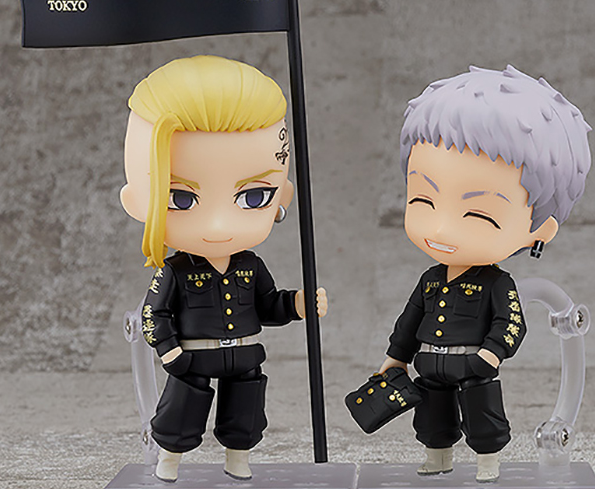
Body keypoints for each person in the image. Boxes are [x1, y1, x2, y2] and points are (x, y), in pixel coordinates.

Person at [120, 55, 328, 482]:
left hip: (245, 353)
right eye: (180, 199)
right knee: (181, 411)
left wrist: (298, 304)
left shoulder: (251, 265)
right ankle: (169, 459)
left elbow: (267, 305)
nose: (218, 226)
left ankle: (238, 458)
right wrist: (170, 351)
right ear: (137, 200)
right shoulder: (175, 270)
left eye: (253, 197)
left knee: (245, 409)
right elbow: (154, 313)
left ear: (282, 195)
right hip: (193, 359)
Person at [379, 65, 591, 482]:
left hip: (474, 366)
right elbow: (410, 319)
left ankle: (487, 462)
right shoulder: (430, 279)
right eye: (423, 199)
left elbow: (511, 321)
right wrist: (396, 356)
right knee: (432, 416)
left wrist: (491, 354)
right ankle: (438, 455)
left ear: (540, 229)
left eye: (478, 214)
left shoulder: (498, 283)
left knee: (483, 416)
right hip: (429, 363)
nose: (441, 229)